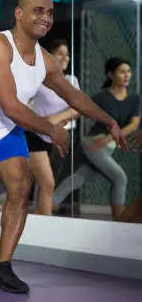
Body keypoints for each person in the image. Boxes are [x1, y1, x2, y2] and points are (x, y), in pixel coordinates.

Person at [0, 0, 126, 294]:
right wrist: (51, 129)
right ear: (19, 14)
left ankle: (3, 267)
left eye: (50, 12)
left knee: (20, 187)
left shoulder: (44, 60)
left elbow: (74, 97)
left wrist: (109, 121)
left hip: (7, 132)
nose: (45, 17)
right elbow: (11, 105)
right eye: (38, 11)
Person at [0, 39, 81, 215]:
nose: (65, 58)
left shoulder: (71, 80)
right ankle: (45, 231)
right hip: (33, 135)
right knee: (46, 183)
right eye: (60, 53)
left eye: (67, 54)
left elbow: (77, 108)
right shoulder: (36, 79)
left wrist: (55, 118)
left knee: (19, 182)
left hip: (54, 138)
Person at [53, 57, 139, 220]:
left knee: (77, 180)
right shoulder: (102, 96)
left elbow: (134, 125)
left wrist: (109, 139)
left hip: (106, 146)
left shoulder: (134, 99)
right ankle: (119, 222)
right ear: (111, 75)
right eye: (122, 72)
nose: (126, 75)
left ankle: (44, 207)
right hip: (93, 143)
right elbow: (79, 109)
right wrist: (57, 119)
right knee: (120, 178)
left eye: (128, 71)